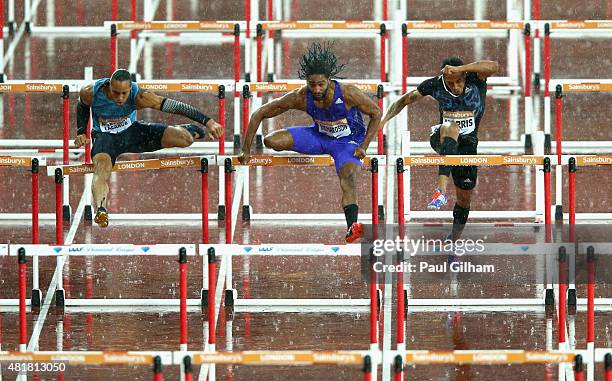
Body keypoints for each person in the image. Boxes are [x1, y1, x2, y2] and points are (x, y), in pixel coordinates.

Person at [238, 42, 382, 242]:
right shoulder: (300, 96)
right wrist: (245, 150)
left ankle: (352, 227)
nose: (316, 89)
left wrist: (364, 146)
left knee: (348, 177)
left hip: (347, 143)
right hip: (319, 137)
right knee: (272, 141)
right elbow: (259, 113)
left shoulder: (348, 92)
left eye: (321, 84)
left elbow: (376, 112)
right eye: (312, 84)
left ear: (329, 80)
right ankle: (320, 148)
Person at [74, 69, 224, 227]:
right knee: (101, 168)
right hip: (105, 138)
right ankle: (102, 210)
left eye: (124, 93)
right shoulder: (90, 92)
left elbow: (175, 106)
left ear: (130, 89)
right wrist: (81, 131)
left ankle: (184, 129)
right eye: (116, 92)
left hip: (133, 133)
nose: (120, 98)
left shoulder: (140, 97)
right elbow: (82, 106)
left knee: (187, 139)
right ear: (109, 86)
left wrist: (208, 122)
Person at [381, 57, 498, 239]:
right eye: (451, 83)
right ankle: (441, 191)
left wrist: (461, 68)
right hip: (442, 139)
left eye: (459, 81)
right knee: (452, 128)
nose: (455, 87)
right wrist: (381, 124)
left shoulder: (476, 78)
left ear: (465, 75)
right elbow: (403, 101)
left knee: (464, 200)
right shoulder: (435, 84)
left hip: (467, 147)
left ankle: (454, 238)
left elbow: (494, 66)